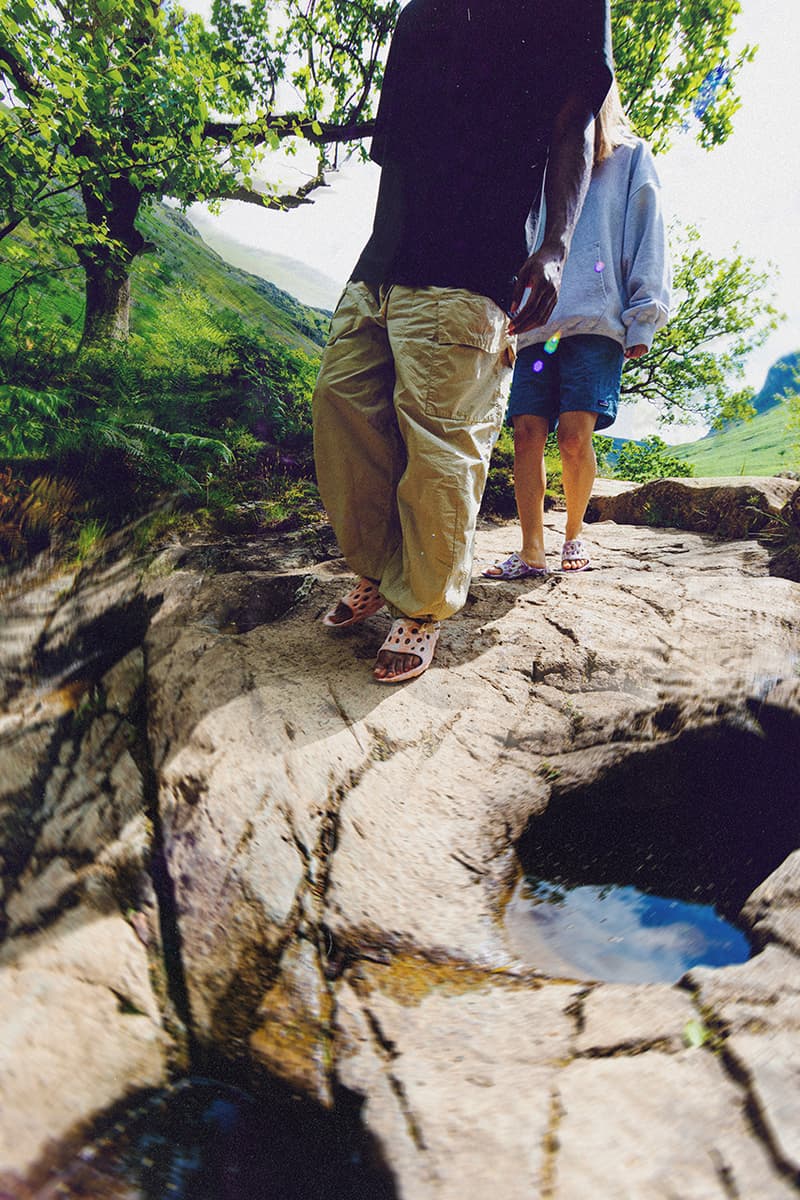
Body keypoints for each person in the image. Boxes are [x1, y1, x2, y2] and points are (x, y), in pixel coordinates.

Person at [313, 0, 613, 682]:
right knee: (342, 407)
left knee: (443, 445)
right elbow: (394, 153)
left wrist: (557, 245)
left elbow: (574, 125)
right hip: (383, 262)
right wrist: (374, 260)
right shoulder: (419, 12)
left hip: (474, 261)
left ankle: (421, 607)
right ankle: (383, 570)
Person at [484, 80, 670, 579]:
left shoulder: (630, 156)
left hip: (595, 323)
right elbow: (514, 239)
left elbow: (647, 228)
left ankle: (573, 536)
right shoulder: (539, 164)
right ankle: (530, 551)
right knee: (526, 431)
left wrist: (643, 316)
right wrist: (504, 317)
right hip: (536, 326)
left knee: (572, 435)